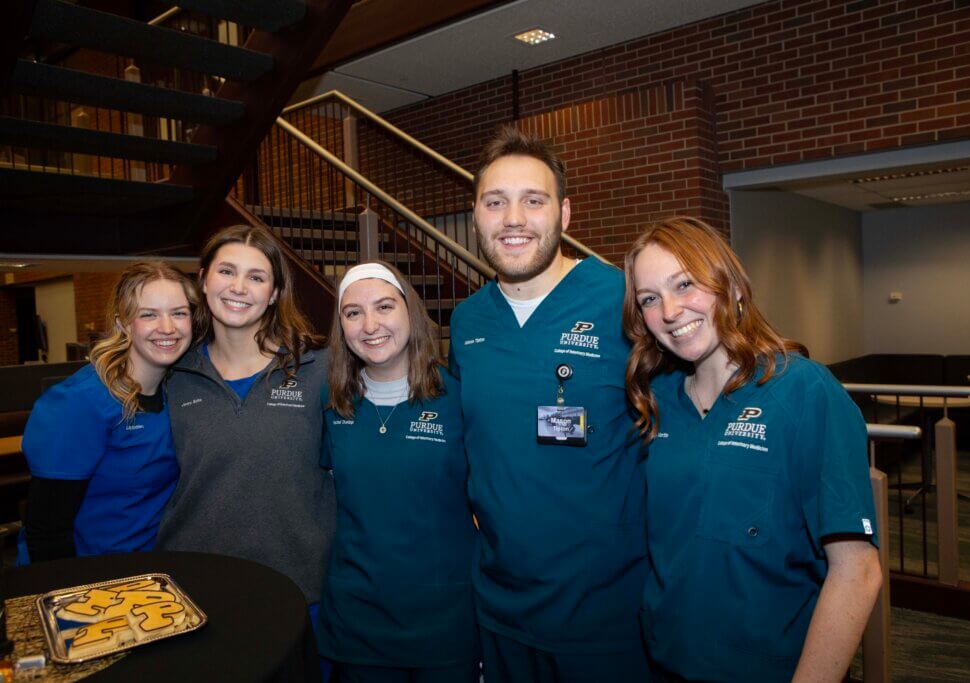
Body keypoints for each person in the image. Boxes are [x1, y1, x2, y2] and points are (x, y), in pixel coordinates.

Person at [623, 216, 883, 682]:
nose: (670, 310)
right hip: (666, 664)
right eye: (649, 299)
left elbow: (857, 572)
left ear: (731, 285)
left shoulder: (804, 391)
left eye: (685, 284)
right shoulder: (655, 403)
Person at [448, 127, 650, 682]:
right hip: (501, 613)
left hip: (608, 619)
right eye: (495, 202)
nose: (513, 219)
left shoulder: (623, 302)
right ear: (475, 216)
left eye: (533, 201)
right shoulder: (467, 322)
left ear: (564, 214)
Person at [156, 224, 334, 608]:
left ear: (274, 294)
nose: (238, 287)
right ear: (203, 280)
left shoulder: (320, 369)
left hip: (297, 588)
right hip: (193, 589)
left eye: (256, 277)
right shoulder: (172, 374)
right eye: (226, 271)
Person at [316, 261, 478, 683]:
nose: (370, 325)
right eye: (353, 313)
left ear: (410, 311)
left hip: (446, 620)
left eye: (384, 306)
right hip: (359, 621)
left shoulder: (459, 397)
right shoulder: (331, 404)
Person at [19, 261, 198, 563]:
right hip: (90, 576)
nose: (168, 327)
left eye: (179, 313)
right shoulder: (80, 402)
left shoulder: (181, 391)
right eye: (148, 314)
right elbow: (47, 531)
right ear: (123, 324)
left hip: (150, 572)